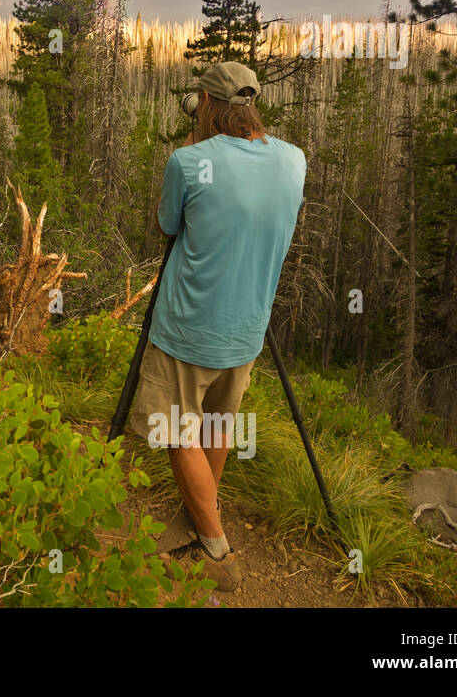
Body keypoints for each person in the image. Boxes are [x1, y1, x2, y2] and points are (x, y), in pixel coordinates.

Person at [128, 60, 306, 592]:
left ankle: (215, 548)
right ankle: (202, 512)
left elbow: (167, 225)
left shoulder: (188, 161)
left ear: (206, 104)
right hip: (248, 327)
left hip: (188, 327)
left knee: (176, 429)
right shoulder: (294, 160)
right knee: (216, 424)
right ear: (250, 107)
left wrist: (192, 148)